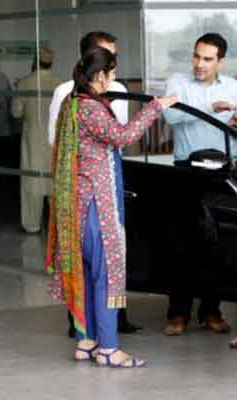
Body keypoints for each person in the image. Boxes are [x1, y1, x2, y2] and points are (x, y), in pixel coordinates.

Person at [45, 47, 177, 367]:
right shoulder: (89, 108)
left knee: (88, 275)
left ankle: (86, 342)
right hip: (95, 207)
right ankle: (109, 349)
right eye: (112, 73)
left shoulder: (71, 103)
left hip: (76, 206)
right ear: (99, 76)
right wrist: (154, 107)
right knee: (105, 277)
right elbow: (122, 137)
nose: (114, 79)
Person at [161, 32, 237, 338]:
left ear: (220, 61)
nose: (200, 64)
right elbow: (171, 115)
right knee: (181, 244)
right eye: (197, 56)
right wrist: (209, 108)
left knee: (217, 245)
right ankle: (177, 315)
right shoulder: (178, 83)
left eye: (207, 59)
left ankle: (211, 312)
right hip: (187, 170)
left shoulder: (234, 88)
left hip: (221, 171)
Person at [47, 31, 138, 335]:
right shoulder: (69, 95)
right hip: (84, 182)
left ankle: (106, 324)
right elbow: (58, 141)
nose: (114, 65)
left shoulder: (117, 89)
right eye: (108, 58)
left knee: (109, 254)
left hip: (109, 175)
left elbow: (117, 142)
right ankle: (92, 334)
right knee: (94, 261)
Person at [12, 48, 62, 234]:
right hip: (53, 139)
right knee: (54, 181)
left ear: (34, 61)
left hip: (32, 140)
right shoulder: (59, 84)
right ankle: (56, 226)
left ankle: (32, 225)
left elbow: (16, 112)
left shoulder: (24, 83)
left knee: (31, 182)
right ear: (51, 63)